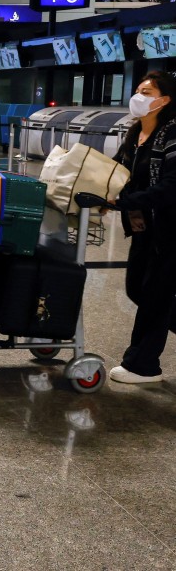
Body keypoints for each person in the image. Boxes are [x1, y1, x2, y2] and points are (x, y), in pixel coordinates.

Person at [109, 71, 176, 384]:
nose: (139, 96)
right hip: (143, 225)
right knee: (137, 288)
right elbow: (116, 172)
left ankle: (142, 365)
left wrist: (127, 200)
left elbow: (172, 186)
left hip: (170, 227)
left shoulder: (172, 133)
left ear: (164, 100)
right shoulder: (134, 133)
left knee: (155, 295)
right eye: (138, 89)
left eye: (147, 91)